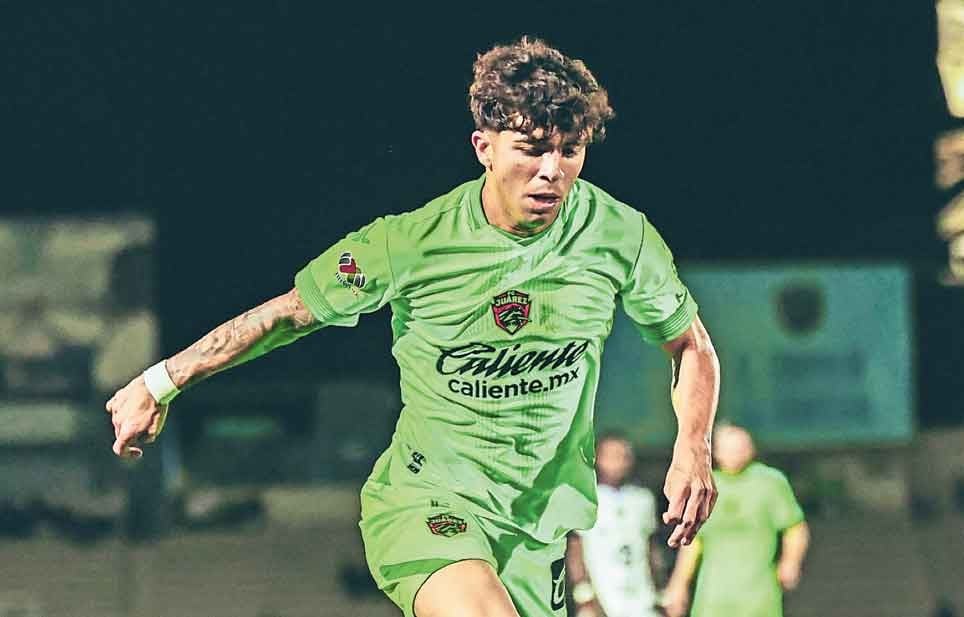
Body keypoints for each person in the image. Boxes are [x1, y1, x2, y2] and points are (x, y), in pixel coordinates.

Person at [105, 37, 721, 617]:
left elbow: (690, 345)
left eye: (569, 150)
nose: (551, 171)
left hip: (538, 527)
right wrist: (161, 381)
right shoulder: (411, 243)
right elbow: (288, 313)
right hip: (428, 503)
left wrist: (693, 447)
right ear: (483, 147)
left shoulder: (618, 234)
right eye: (531, 149)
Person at [662, 425, 810, 617]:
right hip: (712, 598)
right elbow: (692, 542)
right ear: (715, 452)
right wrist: (678, 585)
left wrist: (791, 562)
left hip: (758, 596)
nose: (735, 453)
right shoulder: (706, 486)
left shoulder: (770, 482)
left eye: (740, 447)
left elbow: (795, 526)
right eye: (729, 449)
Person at [566, 432, 666, 617]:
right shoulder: (585, 498)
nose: (617, 462)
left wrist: (660, 591)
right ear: (597, 458)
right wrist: (583, 594)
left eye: (623, 456)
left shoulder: (643, 498)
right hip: (602, 596)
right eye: (610, 456)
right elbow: (575, 548)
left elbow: (651, 547)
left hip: (641, 597)